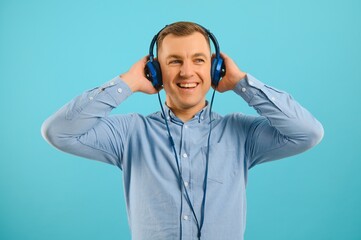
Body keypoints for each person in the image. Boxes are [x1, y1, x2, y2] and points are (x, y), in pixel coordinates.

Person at [41, 21, 324, 240]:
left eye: (199, 60)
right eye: (174, 61)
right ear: (155, 71)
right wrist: (127, 82)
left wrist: (241, 82)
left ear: (214, 69)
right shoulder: (129, 134)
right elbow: (58, 132)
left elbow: (308, 133)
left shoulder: (241, 133)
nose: (187, 72)